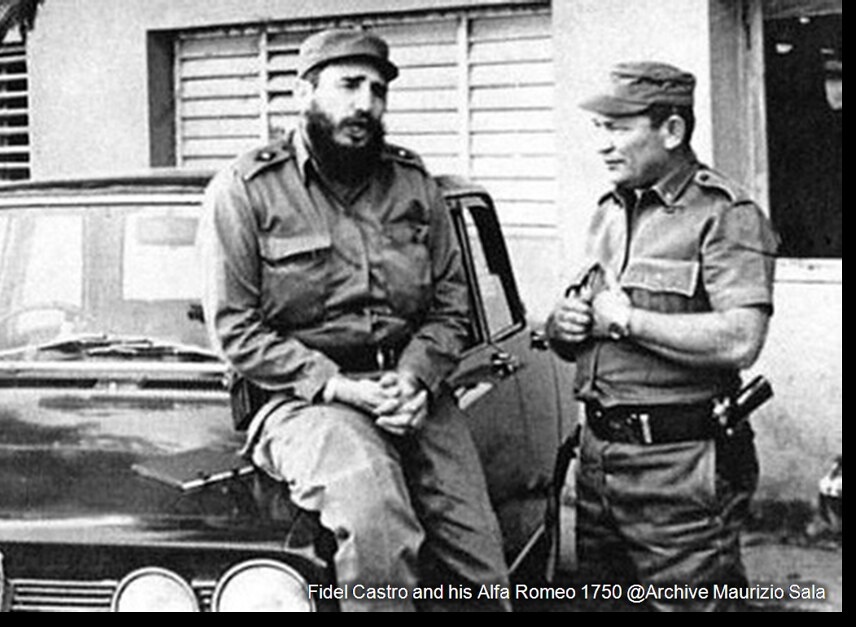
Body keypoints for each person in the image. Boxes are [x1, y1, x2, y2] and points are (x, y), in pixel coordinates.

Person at [199, 29, 510, 612]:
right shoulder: (246, 191)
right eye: (348, 86)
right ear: (304, 93)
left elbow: (452, 306)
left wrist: (417, 378)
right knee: (375, 517)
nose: (365, 103)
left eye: (377, 90)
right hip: (303, 399)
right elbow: (235, 328)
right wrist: (338, 385)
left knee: (479, 555)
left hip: (410, 393)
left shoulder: (414, 185)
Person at [546, 62, 777, 611]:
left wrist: (625, 321)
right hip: (601, 460)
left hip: (680, 468)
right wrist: (564, 326)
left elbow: (741, 338)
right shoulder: (609, 213)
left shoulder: (725, 214)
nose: (603, 145)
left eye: (618, 128)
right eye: (599, 129)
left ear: (671, 131)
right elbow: (587, 322)